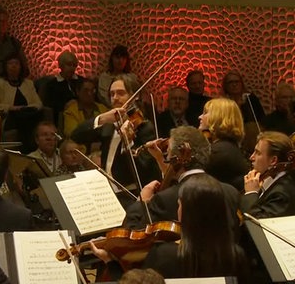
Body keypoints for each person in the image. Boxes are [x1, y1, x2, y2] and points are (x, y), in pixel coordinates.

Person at [94, 174, 248, 282]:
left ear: (187, 212)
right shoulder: (236, 255)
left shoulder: (164, 255)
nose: (178, 209)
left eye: (180, 204)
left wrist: (110, 262)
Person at [123, 126, 241, 234]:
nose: (167, 158)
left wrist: (141, 203)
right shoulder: (231, 192)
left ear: (176, 158)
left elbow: (132, 232)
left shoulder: (165, 200)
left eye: (168, 153)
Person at [72, 73, 161, 208]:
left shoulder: (144, 127)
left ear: (135, 96)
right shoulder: (108, 125)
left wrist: (129, 143)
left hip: (132, 196)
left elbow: (145, 169)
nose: (115, 98)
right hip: (107, 194)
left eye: (120, 93)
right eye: (112, 94)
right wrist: (101, 119)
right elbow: (76, 136)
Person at [0, 53, 42, 153]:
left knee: (30, 115)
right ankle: (28, 149)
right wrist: (12, 108)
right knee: (20, 117)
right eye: (10, 63)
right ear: (5, 67)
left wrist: (25, 108)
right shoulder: (0, 83)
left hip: (29, 115)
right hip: (11, 117)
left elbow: (38, 104)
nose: (13, 66)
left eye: (16, 63)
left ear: (21, 66)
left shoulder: (28, 83)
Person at [199, 98, 251, 190]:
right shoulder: (228, 147)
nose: (200, 117)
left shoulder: (219, 151)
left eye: (205, 113)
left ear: (218, 117)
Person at [241, 131, 295, 218]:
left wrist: (251, 193)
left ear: (273, 161)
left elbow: (257, 224)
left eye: (258, 153)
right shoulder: (268, 181)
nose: (251, 157)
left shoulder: (282, 194)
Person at [42, 50, 85, 126]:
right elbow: (49, 105)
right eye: (69, 65)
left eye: (74, 65)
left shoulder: (82, 81)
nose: (72, 68)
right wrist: (65, 105)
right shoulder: (52, 85)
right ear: (61, 65)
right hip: (61, 117)